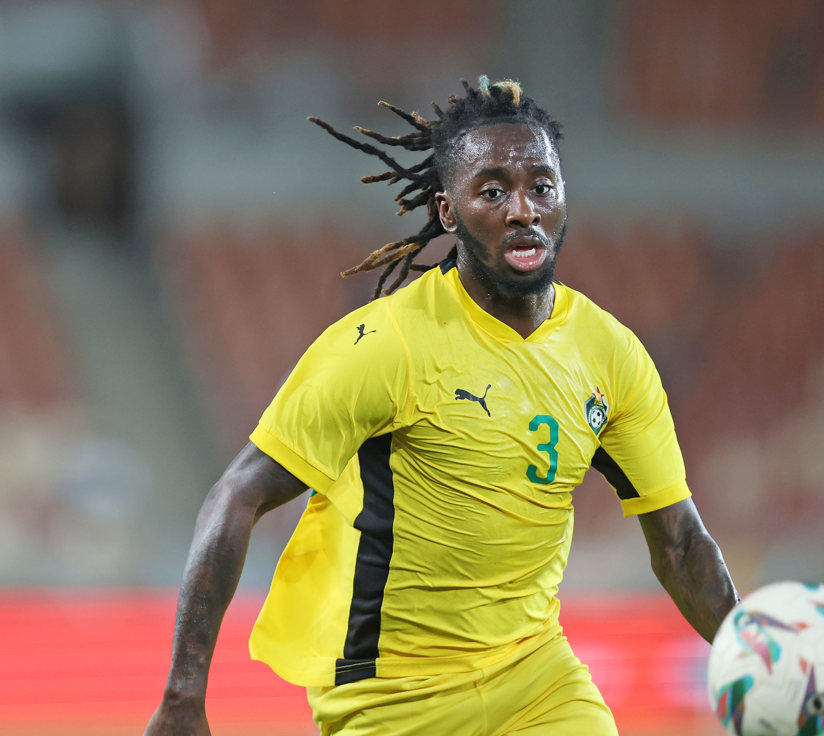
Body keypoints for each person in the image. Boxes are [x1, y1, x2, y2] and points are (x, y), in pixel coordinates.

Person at [146, 76, 740, 736]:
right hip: (392, 695)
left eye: (542, 187)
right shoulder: (386, 344)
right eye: (493, 191)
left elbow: (680, 544)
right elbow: (237, 496)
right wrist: (183, 696)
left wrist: (759, 663)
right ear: (448, 211)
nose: (523, 210)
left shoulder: (611, 355)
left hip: (537, 679)